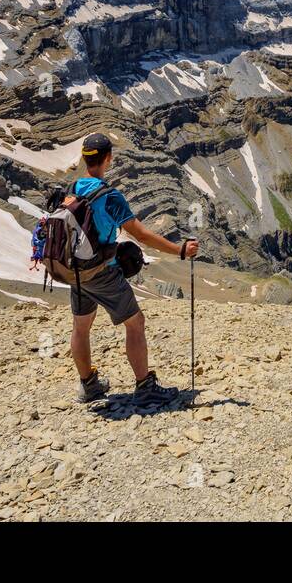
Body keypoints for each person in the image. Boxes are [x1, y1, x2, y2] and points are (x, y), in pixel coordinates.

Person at [67, 133, 198, 405]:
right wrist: (180, 250)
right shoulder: (110, 196)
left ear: (85, 159)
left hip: (76, 270)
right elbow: (142, 235)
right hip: (100, 271)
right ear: (108, 159)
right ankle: (144, 386)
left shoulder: (73, 189)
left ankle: (89, 385)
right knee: (135, 323)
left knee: (81, 327)